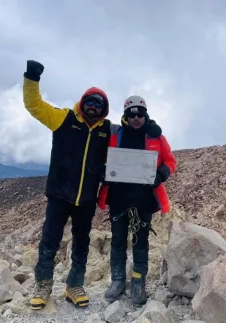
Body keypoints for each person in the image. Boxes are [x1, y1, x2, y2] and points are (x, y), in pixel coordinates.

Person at [22, 59, 112, 310]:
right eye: (89, 102)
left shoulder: (107, 130)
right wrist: (32, 78)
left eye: (99, 104)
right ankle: (43, 286)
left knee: (81, 244)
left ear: (104, 108)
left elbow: (130, 137)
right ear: (82, 103)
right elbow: (35, 106)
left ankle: (74, 286)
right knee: (49, 241)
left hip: (85, 199)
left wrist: (148, 128)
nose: (93, 107)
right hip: (59, 196)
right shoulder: (63, 119)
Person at [97, 95, 177, 306]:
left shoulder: (156, 137)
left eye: (140, 114)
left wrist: (162, 173)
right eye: (131, 115)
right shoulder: (115, 133)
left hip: (144, 199)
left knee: (141, 242)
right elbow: (101, 155)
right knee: (118, 241)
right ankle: (117, 281)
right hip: (118, 198)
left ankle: (138, 283)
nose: (136, 119)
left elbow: (170, 161)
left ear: (145, 114)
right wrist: (102, 171)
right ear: (125, 115)